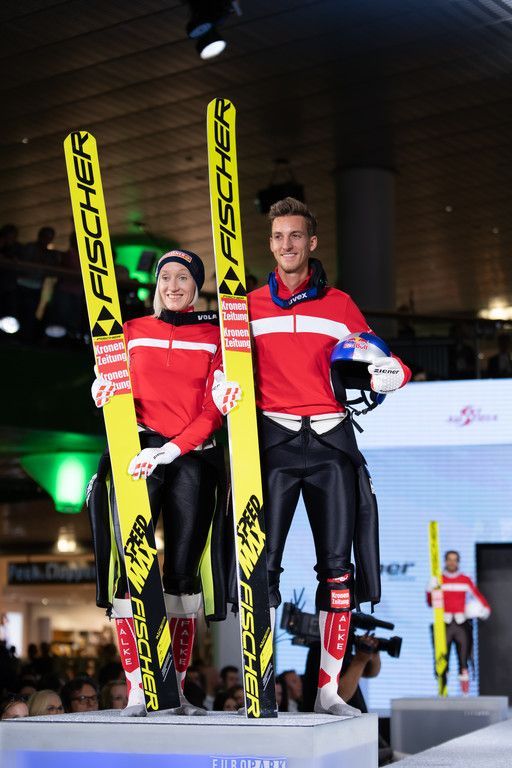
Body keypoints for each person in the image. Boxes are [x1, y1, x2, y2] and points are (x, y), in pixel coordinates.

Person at [247, 197, 411, 717]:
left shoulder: (340, 305)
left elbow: (388, 361)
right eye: (278, 236)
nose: (287, 245)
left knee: (338, 574)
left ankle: (328, 692)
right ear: (270, 243)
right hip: (273, 443)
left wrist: (393, 375)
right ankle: (258, 686)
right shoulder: (247, 305)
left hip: (331, 444)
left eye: (296, 235)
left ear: (311, 242)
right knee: (261, 568)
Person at [88, 249, 240, 717]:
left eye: (183, 278)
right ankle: (137, 688)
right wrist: (100, 390)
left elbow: (214, 411)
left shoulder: (214, 336)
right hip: (136, 451)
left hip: (191, 455)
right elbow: (112, 384)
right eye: (166, 277)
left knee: (182, 575)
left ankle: (174, 689)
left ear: (196, 286)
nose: (173, 285)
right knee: (130, 568)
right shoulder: (130, 330)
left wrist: (173, 449)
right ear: (157, 284)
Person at [427, 550, 491, 694]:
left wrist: (484, 610)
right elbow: (431, 603)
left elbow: (478, 596)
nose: (452, 562)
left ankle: (465, 695)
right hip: (444, 624)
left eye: (454, 560)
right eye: (449, 559)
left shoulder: (465, 580)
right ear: (445, 561)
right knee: (442, 661)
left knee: (464, 660)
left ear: (458, 562)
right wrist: (430, 590)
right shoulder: (438, 580)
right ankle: (442, 691)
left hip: (462, 624)